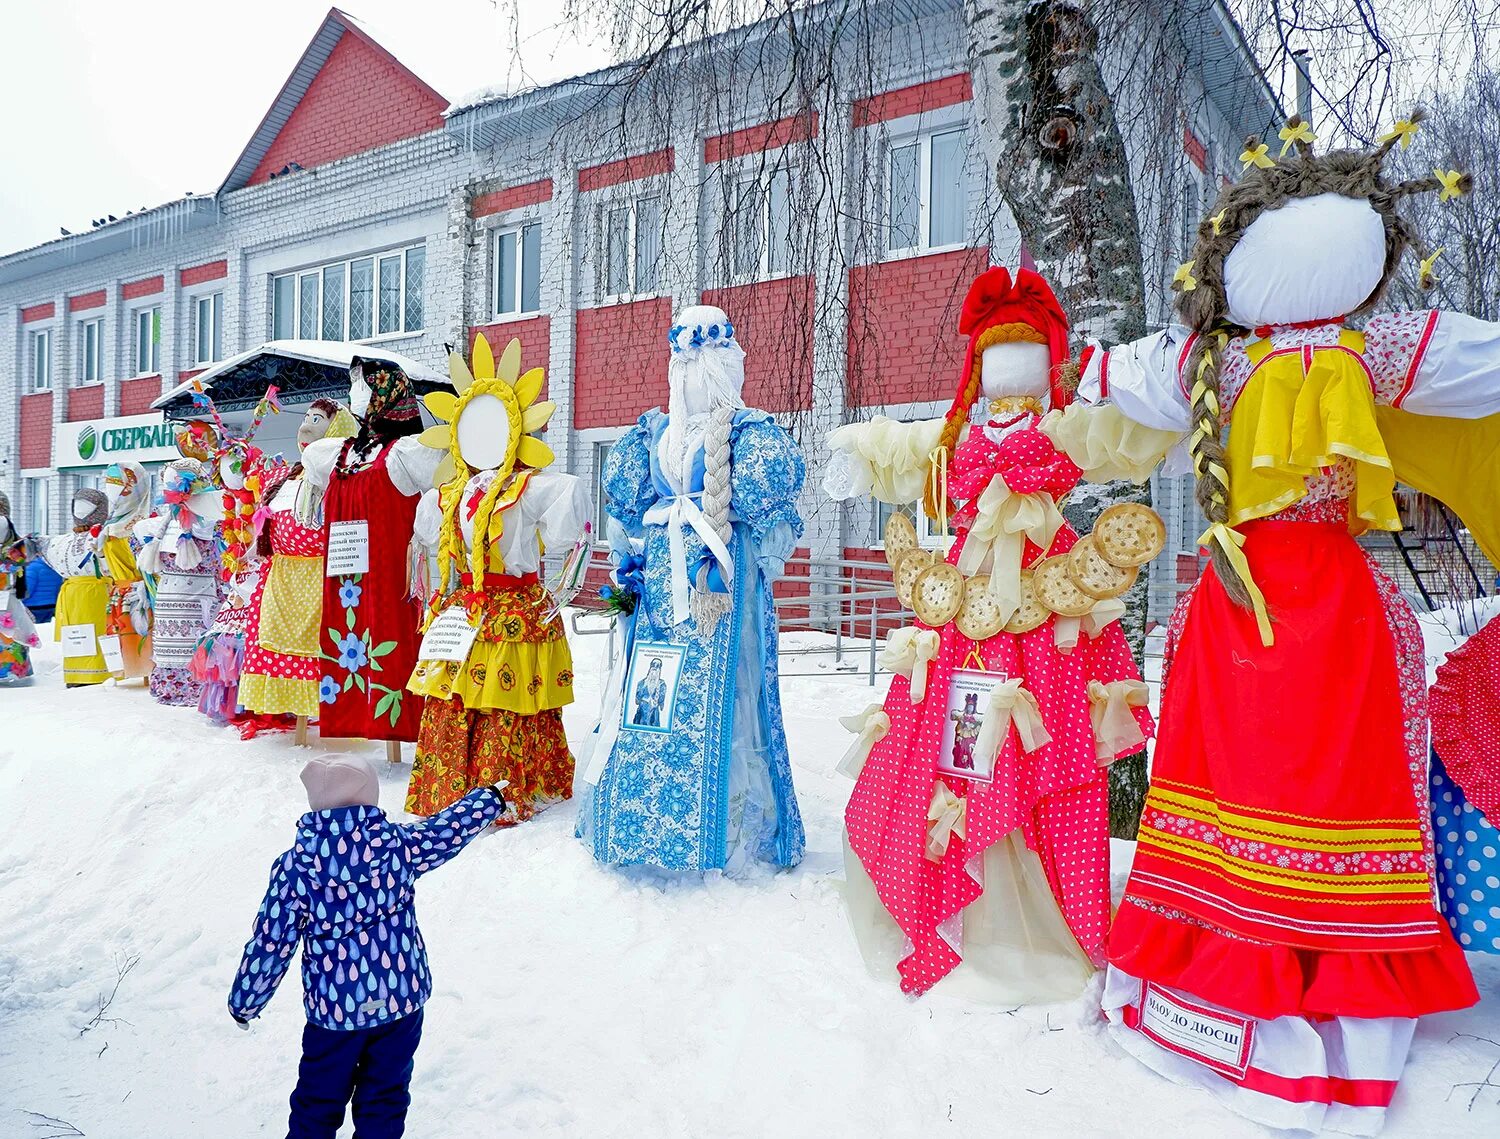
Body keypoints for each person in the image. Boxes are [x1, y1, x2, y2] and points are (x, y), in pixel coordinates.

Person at [1041, 113, 1498, 1133]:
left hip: (1233, 604)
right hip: (1333, 603)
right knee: (1336, 781)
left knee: (1229, 781)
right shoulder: (1375, 348)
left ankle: (1218, 956)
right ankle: (1333, 968)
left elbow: (1108, 375)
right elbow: (1480, 363)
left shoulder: (1209, 359)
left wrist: (1086, 373)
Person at [577, 304, 806, 875]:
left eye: (699, 361)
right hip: (662, 584)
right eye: (685, 361)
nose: (690, 372)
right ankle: (650, 820)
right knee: (655, 698)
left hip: (718, 582)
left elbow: (765, 508)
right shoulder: (654, 434)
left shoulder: (750, 436)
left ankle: (724, 826)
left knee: (721, 697)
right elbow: (630, 511)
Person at [228, 754, 506, 1139]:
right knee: (385, 1099)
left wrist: (246, 1001)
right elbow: (446, 829)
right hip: (399, 1002)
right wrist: (487, 799)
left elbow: (271, 943)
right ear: (370, 797)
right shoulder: (398, 847)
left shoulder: (295, 868)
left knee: (318, 1101)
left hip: (336, 1013)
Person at [632, 658, 666, 727]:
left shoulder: (662, 684)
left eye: (658, 666)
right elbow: (637, 701)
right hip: (641, 713)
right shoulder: (641, 683)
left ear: (660, 669)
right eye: (653, 665)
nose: (655, 667)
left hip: (653, 715)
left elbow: (661, 702)